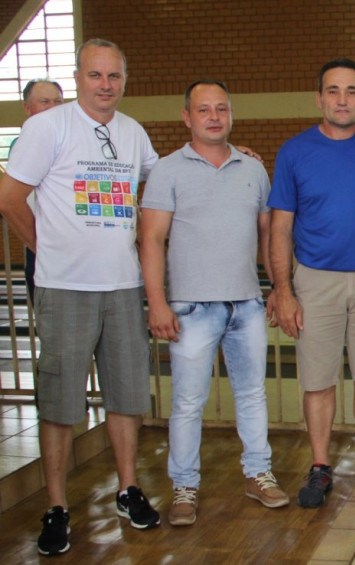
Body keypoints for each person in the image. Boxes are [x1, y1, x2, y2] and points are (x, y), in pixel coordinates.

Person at [0, 38, 161, 555]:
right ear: (79, 76)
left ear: (124, 78)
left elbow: (163, 183)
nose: (106, 85)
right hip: (65, 287)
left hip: (122, 285)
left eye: (114, 76)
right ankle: (56, 505)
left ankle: (127, 488)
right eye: (96, 75)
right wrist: (44, 247)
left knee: (125, 396)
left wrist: (228, 152)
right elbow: (8, 198)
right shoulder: (47, 127)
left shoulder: (132, 132)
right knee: (61, 401)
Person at [140, 79, 288, 527]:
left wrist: (279, 288)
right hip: (190, 307)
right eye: (203, 110)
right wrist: (157, 303)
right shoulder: (168, 170)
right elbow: (151, 238)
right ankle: (184, 486)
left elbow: (267, 236)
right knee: (187, 402)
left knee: (252, 395)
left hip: (244, 304)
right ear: (187, 117)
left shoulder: (253, 169)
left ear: (231, 113)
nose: (213, 117)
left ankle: (258, 473)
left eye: (221, 109)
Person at [269, 58, 355, 507]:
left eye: (351, 91)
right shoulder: (294, 151)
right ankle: (321, 466)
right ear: (319, 98)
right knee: (317, 379)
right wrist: (284, 289)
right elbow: (281, 227)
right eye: (333, 91)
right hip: (315, 280)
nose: (342, 100)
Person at [15, 79, 64, 305]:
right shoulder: (25, 142)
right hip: (44, 248)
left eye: (58, 101)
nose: (52, 107)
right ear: (27, 107)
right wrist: (40, 247)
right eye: (44, 102)